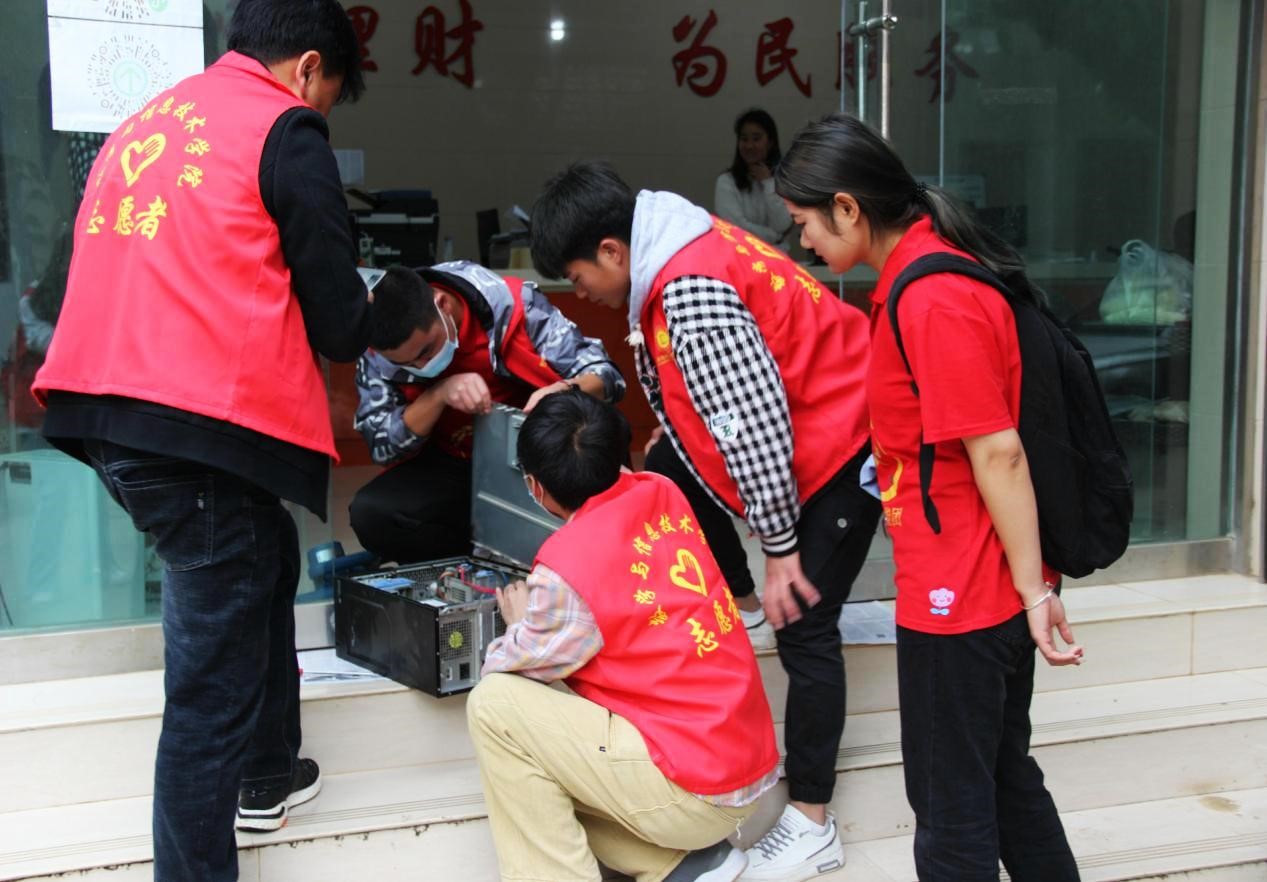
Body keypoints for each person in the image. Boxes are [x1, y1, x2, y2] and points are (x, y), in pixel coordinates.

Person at [32, 1, 370, 878]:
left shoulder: (149, 121)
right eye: (327, 93)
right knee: (206, 695)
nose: (319, 110)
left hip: (109, 412)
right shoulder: (284, 129)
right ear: (307, 67)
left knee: (266, 557)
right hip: (196, 429)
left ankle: (267, 773)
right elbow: (339, 320)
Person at [530, 162, 880, 881]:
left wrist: (780, 546)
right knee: (667, 466)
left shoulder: (690, 290)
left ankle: (812, 818)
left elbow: (756, 428)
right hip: (811, 425)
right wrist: (682, 427)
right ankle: (744, 602)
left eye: (578, 276)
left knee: (804, 620)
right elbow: (720, 386)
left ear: (611, 251)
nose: (581, 293)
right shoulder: (678, 238)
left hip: (844, 441)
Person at [775, 112, 1083, 882]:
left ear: (847, 207)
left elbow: (997, 451)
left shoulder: (932, 296)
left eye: (804, 222)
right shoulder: (922, 278)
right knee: (1003, 781)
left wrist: (1032, 591)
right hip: (975, 585)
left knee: (950, 815)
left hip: (962, 595)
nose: (802, 242)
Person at [468, 389, 780, 882]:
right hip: (743, 757)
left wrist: (520, 622)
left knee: (494, 707)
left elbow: (511, 666)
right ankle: (688, 866)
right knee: (543, 775)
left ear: (535, 487)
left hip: (693, 786)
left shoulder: (567, 568)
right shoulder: (661, 488)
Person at [351, 261, 624, 564]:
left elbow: (606, 376)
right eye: (406, 365)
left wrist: (562, 389)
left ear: (441, 304)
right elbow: (382, 444)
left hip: (537, 457)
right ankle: (467, 569)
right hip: (454, 464)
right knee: (372, 514)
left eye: (426, 351)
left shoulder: (511, 307)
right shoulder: (377, 353)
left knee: (603, 432)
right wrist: (439, 394)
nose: (422, 366)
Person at [714, 109, 795, 251]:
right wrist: (774, 236)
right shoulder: (726, 181)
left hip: (778, 258)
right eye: (744, 139)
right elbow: (736, 228)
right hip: (741, 256)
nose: (749, 146)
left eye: (756, 139)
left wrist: (768, 182)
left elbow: (782, 224)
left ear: (770, 142)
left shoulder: (784, 179)